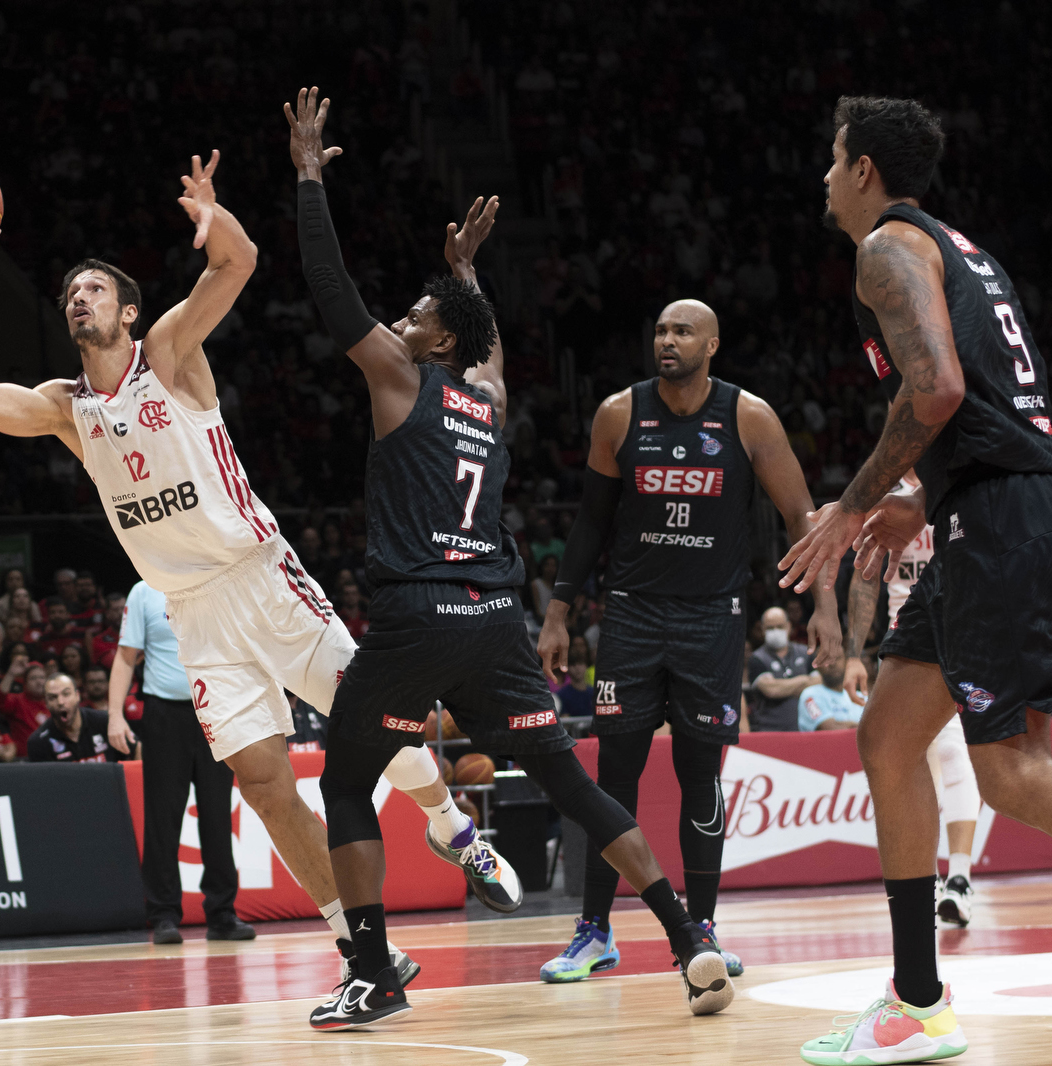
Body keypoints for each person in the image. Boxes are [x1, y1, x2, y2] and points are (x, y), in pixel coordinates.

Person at [0, 134, 467, 990]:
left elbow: (239, 261)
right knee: (262, 782)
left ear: (128, 312)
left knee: (373, 721)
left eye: (94, 289)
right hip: (193, 610)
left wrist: (215, 218)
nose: (78, 299)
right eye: (70, 292)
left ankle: (444, 815)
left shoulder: (169, 353)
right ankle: (365, 950)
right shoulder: (68, 408)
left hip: (260, 575)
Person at [286, 88, 728, 1030]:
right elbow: (489, 348)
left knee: (343, 780)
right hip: (496, 622)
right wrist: (466, 275)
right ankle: (689, 940)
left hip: (415, 617)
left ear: (436, 339)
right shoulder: (486, 396)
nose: (400, 319)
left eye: (417, 312)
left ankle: (371, 973)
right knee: (570, 783)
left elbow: (331, 292)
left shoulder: (403, 376)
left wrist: (310, 177)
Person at [783, 97, 1052, 1065]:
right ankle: (916, 1000)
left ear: (866, 169)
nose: (824, 175)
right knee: (887, 732)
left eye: (833, 158)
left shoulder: (886, 250)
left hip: (1004, 515)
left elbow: (938, 393)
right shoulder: (958, 249)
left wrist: (852, 502)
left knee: (1007, 770)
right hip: (990, 504)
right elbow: (986, 403)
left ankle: (918, 1001)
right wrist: (922, 500)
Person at [533, 289, 840, 983]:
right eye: (661, 329)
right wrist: (559, 612)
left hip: (712, 618)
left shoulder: (747, 416)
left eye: (683, 332)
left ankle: (699, 930)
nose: (667, 340)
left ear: (711, 347)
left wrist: (825, 606)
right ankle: (594, 931)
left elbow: (803, 517)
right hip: (632, 615)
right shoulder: (619, 413)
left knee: (701, 777)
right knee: (613, 779)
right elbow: (588, 526)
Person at [844, 470, 981, 928]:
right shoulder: (887, 499)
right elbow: (865, 577)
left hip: (964, 633)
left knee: (953, 748)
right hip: (906, 642)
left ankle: (956, 879)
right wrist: (853, 654)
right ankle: (942, 880)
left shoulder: (960, 484)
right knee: (916, 758)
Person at [109, 578, 250, 944]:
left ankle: (222, 914)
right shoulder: (143, 591)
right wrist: (114, 714)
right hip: (163, 715)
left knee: (218, 814)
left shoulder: (216, 579)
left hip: (215, 712)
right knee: (163, 817)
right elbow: (126, 656)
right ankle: (164, 915)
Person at [747, 607, 824, 732]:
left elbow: (819, 683)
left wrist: (783, 686)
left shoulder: (805, 652)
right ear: (762, 629)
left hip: (806, 727)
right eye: (770, 628)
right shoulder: (756, 659)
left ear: (788, 626)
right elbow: (772, 690)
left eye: (780, 626)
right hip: (770, 729)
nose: (775, 631)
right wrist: (804, 680)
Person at [26, 673, 132, 763]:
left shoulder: (106, 722)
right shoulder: (38, 742)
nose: (60, 702)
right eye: (53, 697)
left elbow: (137, 749)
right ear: (46, 703)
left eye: (66, 694)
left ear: (77, 695)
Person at [798, 661, 861, 731]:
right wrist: (861, 727)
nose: (833, 664)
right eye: (827, 660)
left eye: (837, 658)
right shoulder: (809, 696)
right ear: (818, 665)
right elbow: (829, 729)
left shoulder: (862, 697)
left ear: (846, 662)